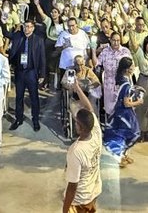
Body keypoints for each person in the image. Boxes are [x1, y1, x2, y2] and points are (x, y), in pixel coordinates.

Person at [63, 80, 102, 213]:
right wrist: (78, 88)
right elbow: (89, 109)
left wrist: (65, 209)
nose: (75, 123)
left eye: (76, 122)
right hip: (94, 190)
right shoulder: (96, 129)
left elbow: (72, 186)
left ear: (80, 128)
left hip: (80, 200)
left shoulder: (76, 151)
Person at [3, 20, 46, 132]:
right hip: (20, 71)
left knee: (34, 97)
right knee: (19, 97)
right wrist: (3, 22)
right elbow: (6, 34)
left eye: (29, 27)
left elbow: (42, 58)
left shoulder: (38, 40)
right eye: (25, 26)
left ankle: (35, 120)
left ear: (33, 28)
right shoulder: (18, 36)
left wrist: (42, 74)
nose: (27, 29)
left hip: (32, 71)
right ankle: (18, 119)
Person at [103, 57, 143, 167]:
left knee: (123, 135)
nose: (134, 68)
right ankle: (120, 155)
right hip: (125, 113)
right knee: (134, 133)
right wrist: (138, 102)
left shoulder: (122, 79)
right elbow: (126, 103)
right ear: (127, 69)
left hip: (120, 112)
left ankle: (122, 154)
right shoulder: (126, 84)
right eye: (132, 67)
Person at [92, 32, 131, 115]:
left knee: (123, 107)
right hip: (109, 83)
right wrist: (93, 51)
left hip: (122, 82)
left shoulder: (125, 51)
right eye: (114, 40)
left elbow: (131, 66)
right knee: (110, 109)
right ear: (110, 40)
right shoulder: (105, 51)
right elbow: (96, 64)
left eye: (118, 40)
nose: (116, 43)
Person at [128, 32, 148, 142]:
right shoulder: (141, 54)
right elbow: (134, 45)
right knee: (141, 108)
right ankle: (141, 132)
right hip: (143, 81)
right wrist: (131, 32)